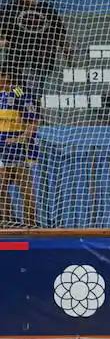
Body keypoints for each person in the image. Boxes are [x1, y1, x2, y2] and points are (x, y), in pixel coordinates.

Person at [0, 0, 71, 107]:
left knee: (32, 92)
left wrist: (68, 55)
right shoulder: (9, 9)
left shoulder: (47, 10)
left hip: (40, 61)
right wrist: (3, 42)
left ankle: (33, 115)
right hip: (15, 62)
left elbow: (60, 35)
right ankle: (30, 112)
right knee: (18, 91)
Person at [0, 68, 39, 227]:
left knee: (26, 190)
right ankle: (7, 222)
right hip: (1, 149)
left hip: (17, 150)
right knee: (1, 190)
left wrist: (19, 139)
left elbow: (33, 123)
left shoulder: (20, 94)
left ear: (7, 77)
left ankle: (31, 225)